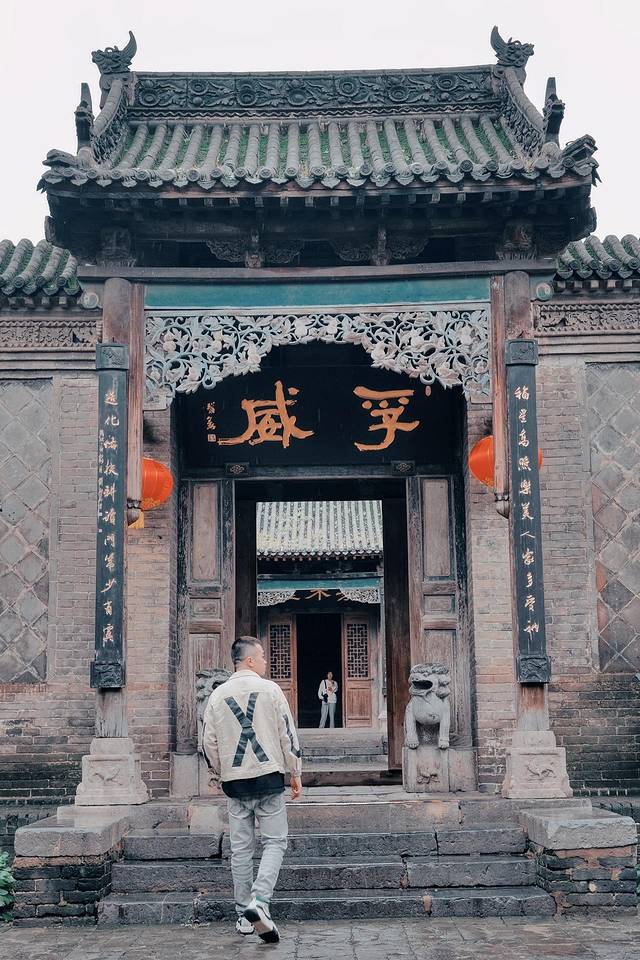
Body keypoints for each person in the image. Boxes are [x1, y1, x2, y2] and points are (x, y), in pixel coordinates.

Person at [202, 636, 302, 943]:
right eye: (262, 656)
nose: (265, 661)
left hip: (235, 782)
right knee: (275, 842)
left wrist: (218, 773)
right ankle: (260, 901)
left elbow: (208, 742)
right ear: (249, 660)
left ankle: (243, 915)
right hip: (268, 777)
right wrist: (295, 771)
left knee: (241, 850)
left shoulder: (217, 695)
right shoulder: (271, 690)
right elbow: (287, 734)